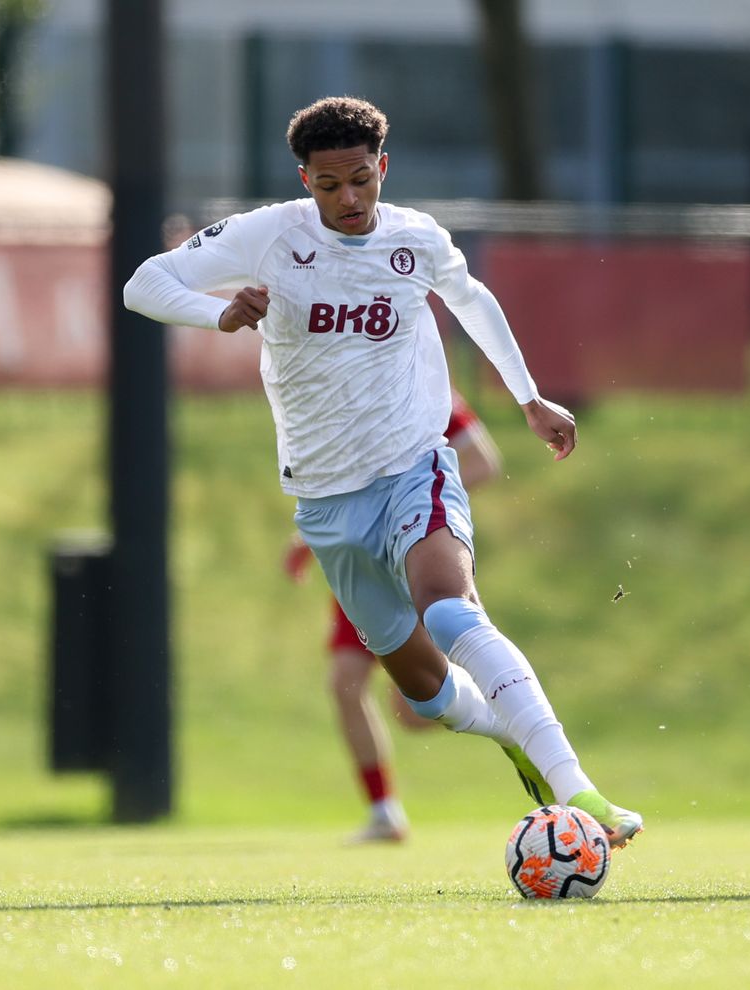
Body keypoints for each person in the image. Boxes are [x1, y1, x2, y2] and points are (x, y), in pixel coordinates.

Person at [123, 96, 641, 848]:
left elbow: (473, 299)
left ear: (382, 169)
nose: (349, 199)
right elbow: (144, 283)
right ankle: (510, 730)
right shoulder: (270, 235)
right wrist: (219, 314)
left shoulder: (416, 240)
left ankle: (581, 789)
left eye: (361, 180)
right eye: (329, 185)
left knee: (452, 610)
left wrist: (528, 398)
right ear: (305, 180)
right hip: (326, 500)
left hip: (413, 465)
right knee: (425, 697)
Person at [283, 390, 510, 843]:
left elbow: (484, 462)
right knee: (344, 682)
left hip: (411, 550)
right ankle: (384, 811)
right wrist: (311, 535)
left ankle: (519, 728)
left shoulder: (426, 387)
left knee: (414, 711)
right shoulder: (343, 388)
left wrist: (411, 501)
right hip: (359, 556)